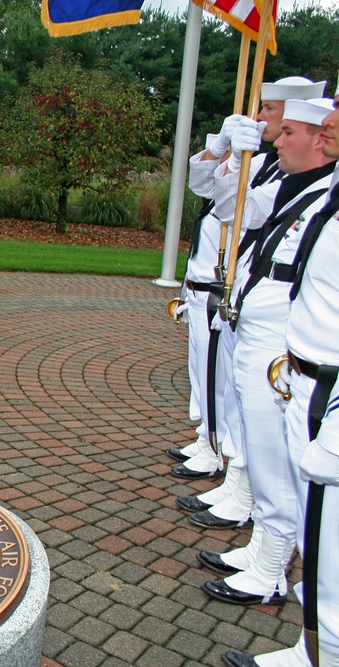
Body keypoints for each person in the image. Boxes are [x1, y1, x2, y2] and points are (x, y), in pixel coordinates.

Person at [198, 99, 336, 609]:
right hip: (263, 332)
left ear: (319, 141)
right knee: (261, 448)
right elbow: (233, 210)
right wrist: (236, 159)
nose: (277, 140)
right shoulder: (290, 186)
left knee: (277, 462)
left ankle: (271, 569)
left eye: (290, 132)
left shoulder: (326, 194)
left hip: (286, 346)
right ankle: (262, 552)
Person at [174, 76, 326, 485]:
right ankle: (214, 445)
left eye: (269, 111)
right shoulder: (266, 165)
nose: (259, 119)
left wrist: (238, 162)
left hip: (258, 307)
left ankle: (225, 460)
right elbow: (204, 186)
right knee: (218, 383)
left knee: (240, 401)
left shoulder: (295, 177)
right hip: (231, 291)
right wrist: (224, 148)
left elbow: (245, 214)